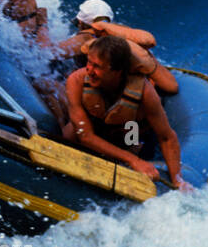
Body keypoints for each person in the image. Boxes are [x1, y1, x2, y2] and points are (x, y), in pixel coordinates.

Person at [64, 34, 190, 191]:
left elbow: (166, 137)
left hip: (129, 133)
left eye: (97, 66)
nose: (90, 70)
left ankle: (130, 154)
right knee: (70, 132)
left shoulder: (145, 92)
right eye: (89, 62)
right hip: (94, 132)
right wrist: (133, 160)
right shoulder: (76, 81)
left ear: (117, 71)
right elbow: (86, 136)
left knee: (132, 133)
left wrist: (177, 181)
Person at [58, 0, 179, 95]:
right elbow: (172, 86)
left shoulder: (85, 38)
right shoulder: (124, 36)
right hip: (135, 95)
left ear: (81, 23)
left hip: (106, 96)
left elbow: (49, 53)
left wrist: (42, 25)